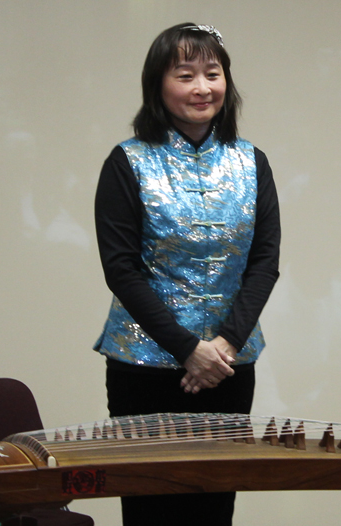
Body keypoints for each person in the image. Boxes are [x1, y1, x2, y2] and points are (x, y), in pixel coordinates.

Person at [93, 22, 281, 526]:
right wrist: (186, 349)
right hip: (144, 367)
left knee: (215, 506)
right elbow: (121, 269)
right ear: (158, 85)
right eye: (185, 75)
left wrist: (223, 346)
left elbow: (264, 262)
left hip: (228, 366)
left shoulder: (252, 161)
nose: (202, 87)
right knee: (152, 508)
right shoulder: (127, 161)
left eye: (212, 74)